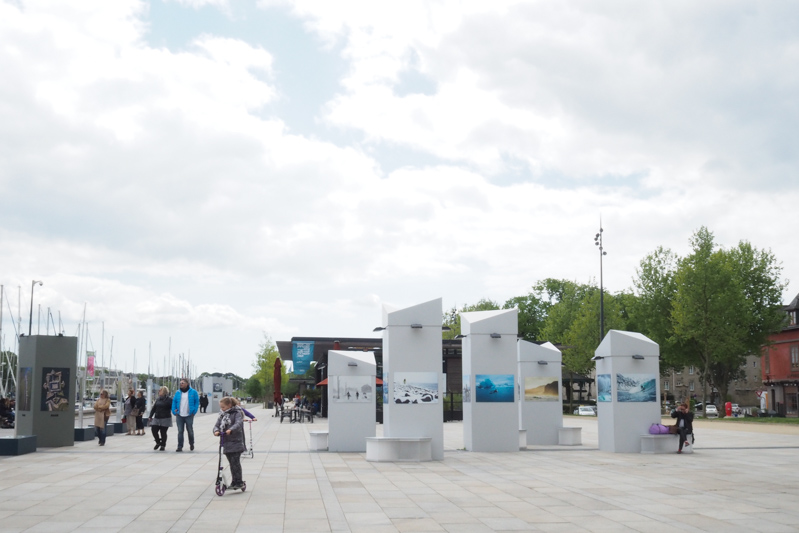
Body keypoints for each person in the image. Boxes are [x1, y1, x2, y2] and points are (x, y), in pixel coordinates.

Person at [213, 397, 246, 490]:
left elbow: (239, 424)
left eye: (223, 407)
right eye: (221, 407)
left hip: (236, 441)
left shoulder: (237, 413)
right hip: (225, 442)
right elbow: (217, 425)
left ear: (229, 405)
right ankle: (234, 481)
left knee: (235, 463)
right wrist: (216, 431)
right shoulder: (222, 415)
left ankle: (238, 481)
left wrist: (231, 429)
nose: (221, 409)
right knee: (231, 463)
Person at [171, 378, 200, 452]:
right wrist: (174, 411)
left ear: (187, 384)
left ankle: (191, 443)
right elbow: (174, 402)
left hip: (189, 415)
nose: (181, 384)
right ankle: (180, 446)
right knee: (180, 431)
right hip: (179, 415)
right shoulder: (177, 392)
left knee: (190, 430)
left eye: (183, 383)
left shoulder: (193, 392)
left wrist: (194, 411)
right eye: (180, 383)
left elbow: (197, 402)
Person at [149, 386, 173, 451]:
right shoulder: (158, 399)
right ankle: (158, 442)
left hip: (165, 418)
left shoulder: (169, 400)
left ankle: (163, 445)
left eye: (160, 390)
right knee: (154, 430)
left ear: (164, 392)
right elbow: (154, 408)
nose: (159, 391)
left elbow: (173, 407)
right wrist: (150, 416)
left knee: (163, 432)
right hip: (157, 417)